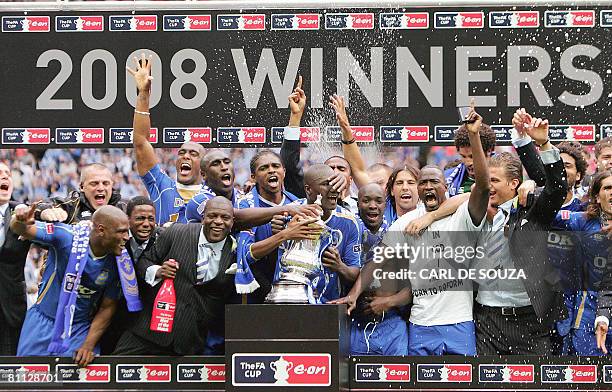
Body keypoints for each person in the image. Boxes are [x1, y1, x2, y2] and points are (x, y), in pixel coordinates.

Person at [383, 105, 489, 356]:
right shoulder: (407, 223)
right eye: (424, 183)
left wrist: (474, 136)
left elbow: (483, 188)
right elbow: (380, 262)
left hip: (459, 323)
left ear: (446, 187)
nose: (428, 187)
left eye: (435, 182)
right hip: (420, 324)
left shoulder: (463, 216)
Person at [474, 114, 568, 355]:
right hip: (486, 321)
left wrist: (542, 144)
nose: (488, 186)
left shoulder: (532, 209)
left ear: (514, 183)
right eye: (486, 179)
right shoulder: (471, 211)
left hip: (529, 321)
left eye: (494, 180)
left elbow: (557, 189)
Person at [113, 197, 237, 355]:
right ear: (203, 217)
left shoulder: (236, 252)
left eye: (225, 217)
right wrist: (157, 271)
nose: (218, 222)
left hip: (190, 343)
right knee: (116, 374)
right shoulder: (176, 232)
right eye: (212, 216)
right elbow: (145, 261)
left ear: (232, 221)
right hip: (145, 333)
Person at [12, 205, 130, 367]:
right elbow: (23, 229)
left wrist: (88, 345)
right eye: (121, 231)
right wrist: (19, 220)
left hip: (78, 330)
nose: (127, 237)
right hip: (42, 322)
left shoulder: (120, 262)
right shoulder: (66, 237)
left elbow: (107, 308)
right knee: (27, 382)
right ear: (101, 230)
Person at [333, 183, 411, 356]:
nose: (372, 206)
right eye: (366, 201)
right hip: (354, 324)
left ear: (386, 204)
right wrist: (341, 268)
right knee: (354, 380)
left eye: (378, 201)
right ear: (357, 203)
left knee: (398, 379)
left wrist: (389, 302)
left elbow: (412, 288)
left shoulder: (397, 234)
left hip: (392, 325)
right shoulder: (347, 233)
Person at [264, 164, 361, 303]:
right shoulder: (286, 214)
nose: (334, 189)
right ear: (308, 189)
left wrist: (340, 266)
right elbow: (268, 261)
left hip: (328, 306)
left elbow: (355, 273)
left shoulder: (350, 222)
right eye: (326, 184)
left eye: (335, 184)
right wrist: (278, 235)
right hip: (286, 299)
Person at [127, 53, 205, 224]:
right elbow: (141, 142)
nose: (185, 156)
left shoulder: (215, 193)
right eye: (182, 152)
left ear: (204, 167)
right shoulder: (162, 186)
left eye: (193, 154)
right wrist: (143, 94)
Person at [329, 94, 420, 225]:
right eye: (399, 183)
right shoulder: (383, 207)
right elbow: (357, 171)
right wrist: (346, 130)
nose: (405, 187)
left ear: (420, 188)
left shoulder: (429, 211)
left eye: (411, 182)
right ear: (391, 190)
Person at [550, 170, 612, 355]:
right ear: (597, 197)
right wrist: (528, 195)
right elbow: (544, 215)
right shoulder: (584, 222)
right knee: (586, 376)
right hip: (588, 315)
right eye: (608, 188)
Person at [99, 196, 161, 354]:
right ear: (127, 219)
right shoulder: (116, 237)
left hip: (146, 315)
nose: (146, 224)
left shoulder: (162, 239)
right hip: (113, 309)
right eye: (140, 218)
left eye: (150, 219)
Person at [236, 150, 299, 303]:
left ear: (283, 172)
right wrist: (279, 236)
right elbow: (245, 257)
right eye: (263, 168)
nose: (271, 170)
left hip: (292, 290)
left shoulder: (297, 203)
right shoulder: (244, 205)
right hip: (257, 294)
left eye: (276, 166)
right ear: (253, 177)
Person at [0, 163, 33, 355]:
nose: (5, 177)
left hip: (12, 307)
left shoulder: (22, 213)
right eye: (0, 174)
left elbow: (42, 214)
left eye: (8, 174)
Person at [35, 163, 126, 224]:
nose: (101, 188)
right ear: (82, 187)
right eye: (94, 183)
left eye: (105, 183)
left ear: (112, 186)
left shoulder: (123, 208)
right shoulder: (71, 206)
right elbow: (36, 207)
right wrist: (44, 212)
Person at [445, 120, 496, 197]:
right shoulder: (448, 177)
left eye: (472, 156)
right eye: (463, 156)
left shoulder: (505, 175)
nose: (468, 162)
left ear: (488, 151)